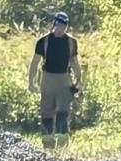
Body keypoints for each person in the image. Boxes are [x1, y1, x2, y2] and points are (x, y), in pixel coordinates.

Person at [28, 11, 81, 146]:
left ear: (67, 27)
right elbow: (35, 63)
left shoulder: (71, 42)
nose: (60, 29)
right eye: (58, 25)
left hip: (64, 79)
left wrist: (78, 83)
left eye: (64, 26)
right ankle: (48, 144)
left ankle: (62, 143)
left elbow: (75, 63)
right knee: (47, 112)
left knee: (63, 111)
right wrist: (31, 82)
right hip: (47, 79)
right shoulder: (43, 41)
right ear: (54, 24)